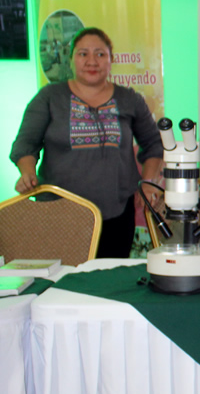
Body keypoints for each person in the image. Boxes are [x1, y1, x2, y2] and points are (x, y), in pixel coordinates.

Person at [10, 27, 164, 258]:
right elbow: (25, 144)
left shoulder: (129, 99)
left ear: (111, 60)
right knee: (64, 283)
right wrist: (27, 173)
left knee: (109, 282)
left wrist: (150, 182)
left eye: (100, 54)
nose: (92, 61)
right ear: (71, 59)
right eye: (83, 54)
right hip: (58, 213)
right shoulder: (49, 97)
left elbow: (153, 145)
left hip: (116, 213)